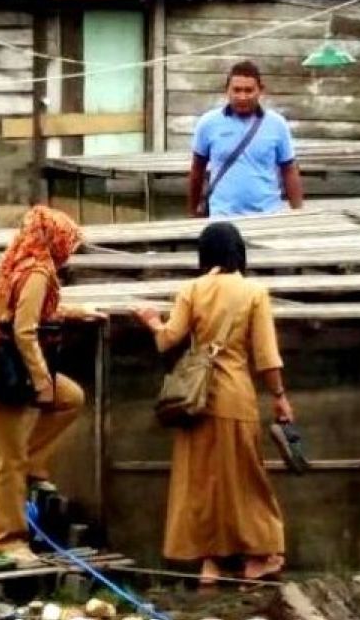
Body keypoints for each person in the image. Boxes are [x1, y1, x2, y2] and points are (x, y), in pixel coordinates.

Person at [132, 222, 292, 584]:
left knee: (202, 484)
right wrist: (280, 398)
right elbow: (267, 357)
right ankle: (260, 556)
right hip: (236, 398)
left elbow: (168, 340)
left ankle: (210, 565)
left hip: (195, 400)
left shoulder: (191, 289)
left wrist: (152, 322)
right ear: (239, 252)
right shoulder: (253, 292)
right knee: (247, 480)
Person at [0, 206, 103, 565]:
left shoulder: (20, 262)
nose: (70, 250)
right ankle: (6, 541)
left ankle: (33, 463)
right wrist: (41, 382)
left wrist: (78, 312)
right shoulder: (38, 270)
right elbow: (24, 330)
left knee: (70, 398)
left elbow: (31, 312)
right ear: (55, 239)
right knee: (8, 460)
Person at [188, 60, 304, 219]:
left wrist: (298, 212)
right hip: (223, 216)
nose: (242, 97)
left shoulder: (277, 124)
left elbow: (289, 169)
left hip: (267, 215)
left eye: (249, 90)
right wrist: (193, 211)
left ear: (260, 91)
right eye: (236, 90)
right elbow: (197, 170)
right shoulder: (208, 123)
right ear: (226, 91)